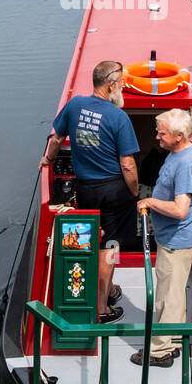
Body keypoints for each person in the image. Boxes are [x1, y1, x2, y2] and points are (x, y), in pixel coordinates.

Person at [40, 60, 139, 323]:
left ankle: (105, 289)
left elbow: (56, 139)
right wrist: (135, 192)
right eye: (121, 82)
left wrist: (48, 161)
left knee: (92, 241)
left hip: (85, 190)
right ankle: (101, 308)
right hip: (114, 190)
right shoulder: (119, 117)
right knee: (110, 247)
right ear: (111, 84)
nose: (123, 86)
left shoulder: (74, 106)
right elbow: (127, 164)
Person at [131, 109, 192, 368]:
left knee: (166, 296)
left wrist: (149, 201)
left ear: (179, 136)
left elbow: (181, 209)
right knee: (173, 294)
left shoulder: (185, 164)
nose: (157, 137)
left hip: (175, 240)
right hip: (172, 238)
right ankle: (171, 339)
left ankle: (159, 352)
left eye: (161, 133)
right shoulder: (178, 153)